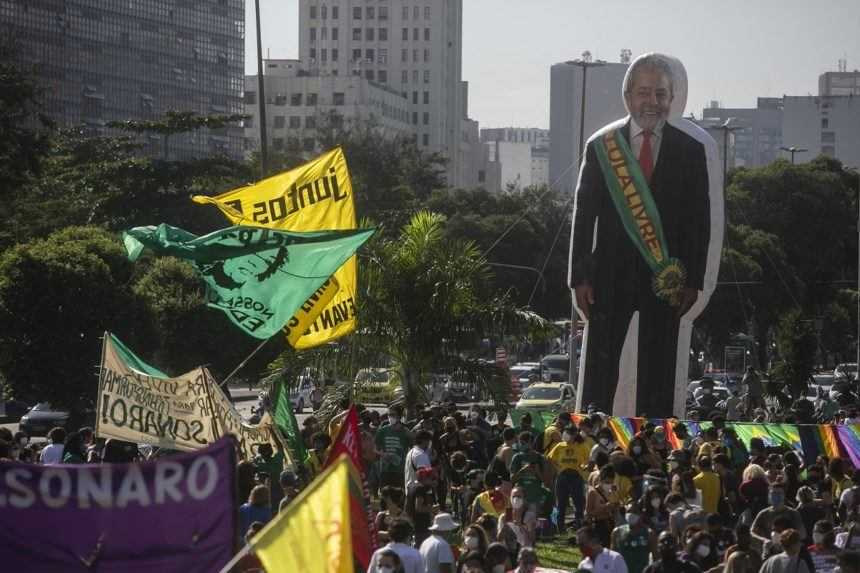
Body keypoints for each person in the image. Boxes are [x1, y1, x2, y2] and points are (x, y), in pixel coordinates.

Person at [569, 52, 716, 417]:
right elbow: (584, 217)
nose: (652, 102)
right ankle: (592, 432)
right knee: (601, 367)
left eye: (661, 94)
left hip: (666, 277)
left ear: (671, 99)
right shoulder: (602, 148)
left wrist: (693, 279)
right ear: (628, 97)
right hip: (608, 277)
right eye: (644, 92)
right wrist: (580, 277)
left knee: (659, 368)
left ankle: (656, 440)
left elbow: (701, 222)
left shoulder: (691, 150)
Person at [546, 421, 590, 531]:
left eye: (569, 433)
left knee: (578, 503)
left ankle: (578, 527)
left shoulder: (582, 446)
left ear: (575, 434)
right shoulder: (560, 446)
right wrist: (558, 468)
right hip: (562, 477)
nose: (566, 435)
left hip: (576, 477)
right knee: (561, 504)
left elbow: (588, 460)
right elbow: (549, 458)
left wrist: (584, 467)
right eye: (565, 432)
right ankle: (560, 527)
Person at [751, 483, 806, 548]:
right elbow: (752, 532)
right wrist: (764, 540)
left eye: (779, 493)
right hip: (770, 550)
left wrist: (789, 539)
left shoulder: (793, 513)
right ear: (769, 496)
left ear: (784, 495)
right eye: (773, 493)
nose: (776, 496)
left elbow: (803, 534)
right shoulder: (763, 513)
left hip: (789, 550)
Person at [611, 503, 657, 573]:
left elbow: (656, 559)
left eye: (634, 511)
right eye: (628, 511)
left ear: (641, 514)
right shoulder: (617, 532)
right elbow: (612, 558)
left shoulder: (649, 533)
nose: (631, 514)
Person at [376, 405, 413, 489]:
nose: (390, 417)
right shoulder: (382, 430)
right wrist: (383, 454)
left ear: (399, 416)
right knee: (385, 495)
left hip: (400, 470)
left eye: (393, 415)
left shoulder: (406, 431)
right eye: (389, 415)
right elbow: (374, 448)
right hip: (385, 469)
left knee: (398, 495)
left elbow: (413, 449)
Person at [587, 465, 623, 547]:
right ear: (600, 480)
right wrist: (605, 507)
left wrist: (616, 505)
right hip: (598, 525)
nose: (609, 485)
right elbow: (589, 513)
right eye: (607, 482)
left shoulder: (612, 491)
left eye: (611, 482)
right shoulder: (593, 493)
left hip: (611, 523)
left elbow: (617, 505)